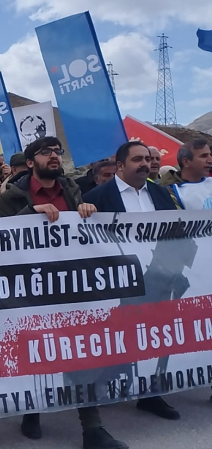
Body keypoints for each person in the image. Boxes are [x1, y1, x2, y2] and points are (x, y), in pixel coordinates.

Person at [0, 136, 129, 449]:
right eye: (46, 152)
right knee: (36, 351)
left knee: (79, 351)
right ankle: (32, 411)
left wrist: (86, 211)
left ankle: (92, 428)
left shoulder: (71, 189)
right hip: (30, 288)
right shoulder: (12, 196)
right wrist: (31, 212)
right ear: (30, 163)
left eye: (57, 151)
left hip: (71, 284)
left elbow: (82, 234)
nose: (54, 156)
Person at [83, 141, 181, 420]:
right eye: (137, 159)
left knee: (155, 335)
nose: (145, 164)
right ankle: (100, 385)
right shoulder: (97, 196)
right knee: (117, 334)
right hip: (119, 281)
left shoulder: (160, 195)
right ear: (120, 165)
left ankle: (151, 394)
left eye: (148, 160)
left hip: (159, 277)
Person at [160, 138, 212, 209]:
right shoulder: (170, 192)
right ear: (186, 162)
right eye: (203, 156)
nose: (210, 160)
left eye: (210, 155)